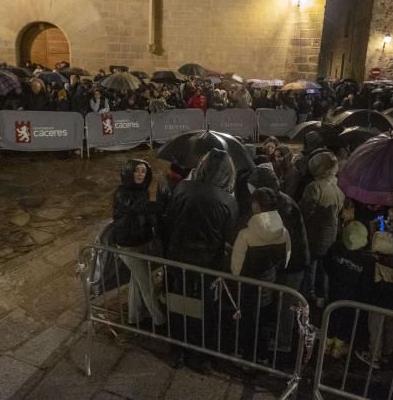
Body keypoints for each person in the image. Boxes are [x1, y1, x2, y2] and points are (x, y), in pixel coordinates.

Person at [165, 148, 238, 372]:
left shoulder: (182, 187)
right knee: (205, 307)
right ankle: (200, 354)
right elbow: (230, 235)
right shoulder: (227, 200)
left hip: (179, 257)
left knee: (180, 302)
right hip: (208, 263)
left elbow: (170, 220)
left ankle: (178, 349)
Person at [247, 165, 310, 354]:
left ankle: (284, 343)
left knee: (286, 306)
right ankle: (279, 335)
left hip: (293, 264)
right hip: (286, 263)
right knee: (281, 302)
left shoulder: (282, 207)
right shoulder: (277, 202)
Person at [231, 187, 291, 362]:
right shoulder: (284, 232)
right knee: (264, 320)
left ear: (256, 206)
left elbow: (236, 267)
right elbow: (285, 259)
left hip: (249, 286)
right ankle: (263, 357)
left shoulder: (246, 235)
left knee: (249, 322)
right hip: (269, 283)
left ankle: (248, 358)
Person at [112, 159, 166, 329]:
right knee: (146, 283)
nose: (140, 174)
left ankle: (134, 316)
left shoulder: (143, 191)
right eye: (136, 171)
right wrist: (160, 206)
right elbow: (135, 207)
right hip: (128, 244)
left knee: (138, 280)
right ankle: (160, 320)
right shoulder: (121, 193)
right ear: (128, 173)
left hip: (141, 241)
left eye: (143, 171)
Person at [300, 151, 344, 306]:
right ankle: (322, 296)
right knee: (323, 269)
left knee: (310, 266)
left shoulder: (314, 187)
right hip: (330, 236)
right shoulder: (337, 188)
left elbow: (305, 211)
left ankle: (307, 296)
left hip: (314, 235)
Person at [355, 230, 393, 369]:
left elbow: (367, 285)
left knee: (376, 328)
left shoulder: (375, 263)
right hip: (392, 302)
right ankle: (387, 354)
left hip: (377, 302)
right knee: (389, 327)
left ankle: (374, 357)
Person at [324, 220, 371, 359]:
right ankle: (338, 347)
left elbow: (326, 264)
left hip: (335, 289)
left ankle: (327, 344)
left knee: (332, 314)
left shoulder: (336, 247)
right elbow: (365, 282)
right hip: (352, 295)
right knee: (346, 319)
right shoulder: (365, 259)